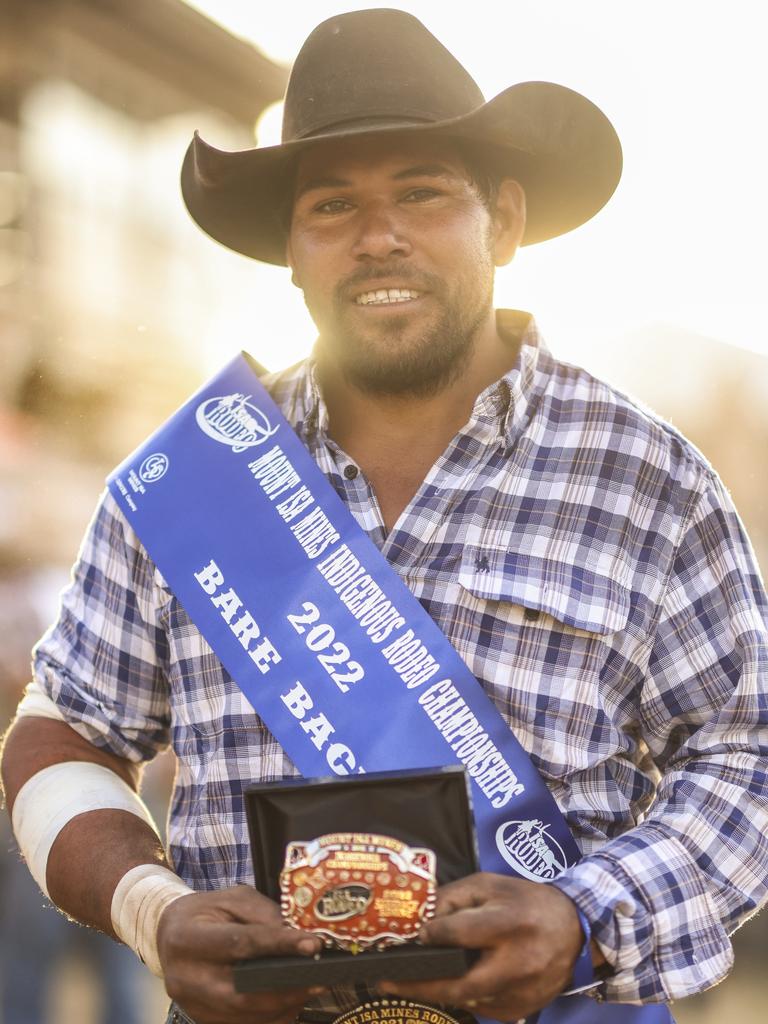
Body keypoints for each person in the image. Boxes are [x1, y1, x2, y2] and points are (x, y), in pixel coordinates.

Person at [3, 9, 768, 1024]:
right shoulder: (185, 481)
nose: (379, 237)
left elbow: (744, 752)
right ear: (290, 246)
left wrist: (585, 914)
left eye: (422, 192)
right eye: (332, 205)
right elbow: (61, 734)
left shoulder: (646, 477)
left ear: (503, 219)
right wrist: (153, 909)